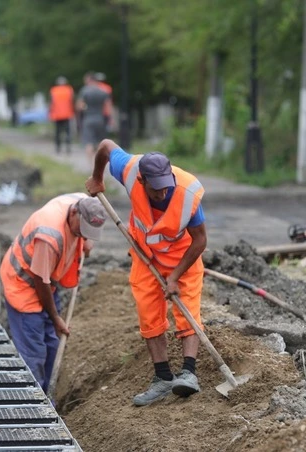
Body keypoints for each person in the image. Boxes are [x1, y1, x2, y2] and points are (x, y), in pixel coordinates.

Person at [85, 139, 207, 407]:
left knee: (188, 311)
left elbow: (200, 241)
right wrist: (97, 178)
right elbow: (105, 146)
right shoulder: (129, 169)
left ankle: (188, 373)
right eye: (156, 191)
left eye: (167, 188)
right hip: (145, 256)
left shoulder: (188, 194)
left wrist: (174, 276)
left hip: (183, 257)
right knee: (148, 313)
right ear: (142, 181)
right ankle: (163, 377)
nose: (163, 194)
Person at [0, 194, 108, 401]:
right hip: (23, 284)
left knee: (51, 344)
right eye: (82, 229)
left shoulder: (83, 203)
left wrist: (84, 240)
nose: (82, 234)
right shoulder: (48, 236)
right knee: (34, 353)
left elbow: (88, 201)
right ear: (75, 212)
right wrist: (55, 317)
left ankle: (47, 398)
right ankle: (31, 404)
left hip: (47, 281)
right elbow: (42, 281)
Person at [77, 72, 110, 161]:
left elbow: (80, 106)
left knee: (89, 143)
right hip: (100, 119)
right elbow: (107, 106)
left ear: (90, 80)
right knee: (100, 143)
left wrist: (86, 108)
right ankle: (100, 165)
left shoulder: (84, 91)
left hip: (88, 119)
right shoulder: (103, 91)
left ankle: (91, 165)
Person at [49, 76, 75, 154]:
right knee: (68, 132)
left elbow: (52, 103)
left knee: (58, 132)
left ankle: (58, 148)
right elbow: (72, 101)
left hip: (57, 115)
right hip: (67, 114)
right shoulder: (69, 90)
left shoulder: (53, 90)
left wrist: (50, 113)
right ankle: (68, 147)